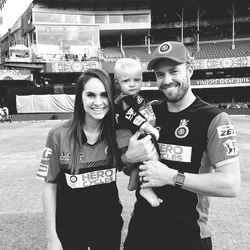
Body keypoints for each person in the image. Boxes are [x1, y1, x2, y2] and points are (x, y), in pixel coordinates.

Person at [122, 41, 241, 250]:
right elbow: (127, 163)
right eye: (160, 74)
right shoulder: (150, 112)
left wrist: (170, 177)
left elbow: (230, 184)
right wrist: (128, 157)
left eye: (174, 71)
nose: (167, 80)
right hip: (142, 231)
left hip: (188, 235)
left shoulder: (213, 118)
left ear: (190, 70)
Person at [37, 68, 123, 250]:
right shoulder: (57, 135)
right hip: (69, 231)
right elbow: (49, 187)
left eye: (104, 95)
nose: (98, 102)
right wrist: (52, 238)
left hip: (108, 228)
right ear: (80, 97)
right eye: (91, 95)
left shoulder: (118, 134)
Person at [114, 58, 162, 207]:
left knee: (143, 159)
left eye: (136, 79)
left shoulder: (138, 98)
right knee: (152, 156)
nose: (132, 84)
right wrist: (149, 128)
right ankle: (146, 188)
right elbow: (133, 116)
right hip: (125, 137)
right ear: (117, 83)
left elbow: (145, 110)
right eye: (126, 81)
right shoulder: (122, 101)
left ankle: (135, 176)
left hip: (131, 135)